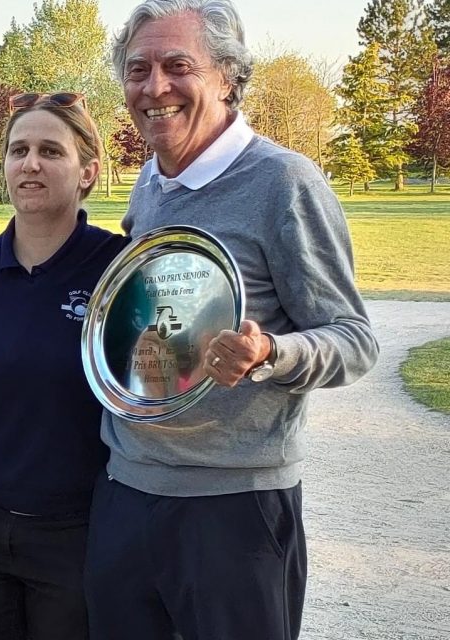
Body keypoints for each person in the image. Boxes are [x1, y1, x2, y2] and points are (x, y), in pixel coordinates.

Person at [85, 2, 380, 639]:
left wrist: (270, 352)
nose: (154, 87)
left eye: (177, 65)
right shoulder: (149, 182)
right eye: (138, 70)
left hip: (234, 506)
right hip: (126, 491)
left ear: (227, 76)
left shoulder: (284, 182)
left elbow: (354, 340)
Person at [0, 93, 126, 640]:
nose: (30, 163)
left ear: (88, 172)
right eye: (18, 150)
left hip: (78, 532)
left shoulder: (120, 266)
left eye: (49, 151)